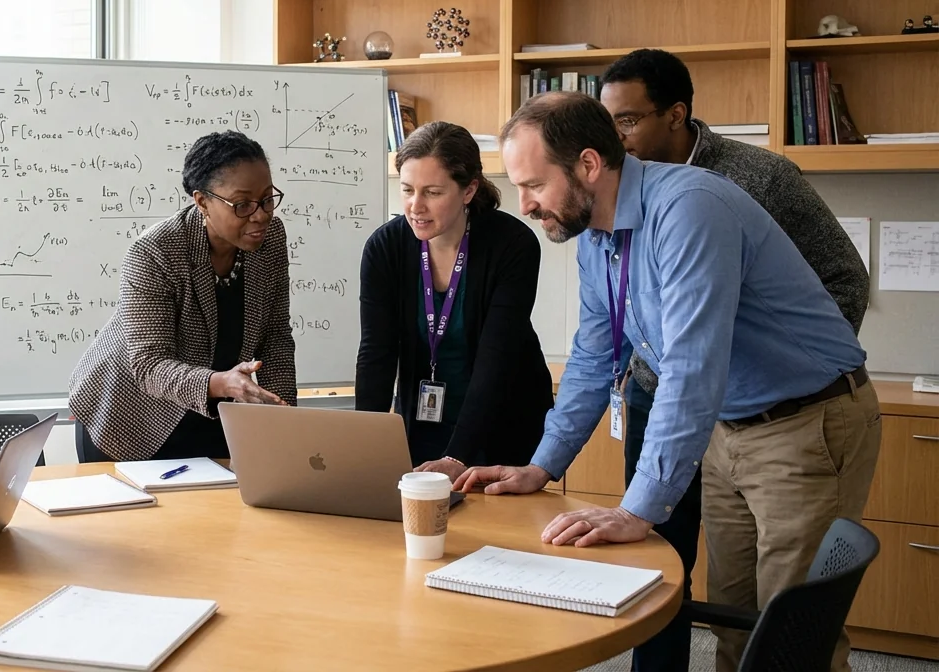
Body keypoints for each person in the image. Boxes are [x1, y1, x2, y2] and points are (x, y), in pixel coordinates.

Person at [459, 91, 880, 672]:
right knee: (738, 625)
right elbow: (593, 356)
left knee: (789, 643)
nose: (525, 204)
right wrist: (542, 465)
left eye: (533, 185)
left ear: (587, 164)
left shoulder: (688, 208)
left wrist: (638, 510)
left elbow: (690, 367)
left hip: (805, 424)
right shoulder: (597, 238)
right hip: (729, 430)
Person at [598, 48, 870, 671]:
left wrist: (775, 367)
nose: (614, 137)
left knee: (790, 624)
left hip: (777, 409)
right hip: (678, 402)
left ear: (676, 114)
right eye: (605, 121)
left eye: (628, 121)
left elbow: (844, 278)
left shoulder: (758, 176)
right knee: (702, 581)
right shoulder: (619, 192)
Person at [67, 130, 296, 462]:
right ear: (202, 201)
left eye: (267, 198)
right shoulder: (155, 250)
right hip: (130, 417)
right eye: (243, 204)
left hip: (213, 413)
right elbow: (149, 366)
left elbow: (275, 338)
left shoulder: (270, 237)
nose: (260, 214)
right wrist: (222, 383)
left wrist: (285, 420)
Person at [355, 121, 552, 479]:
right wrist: (362, 445)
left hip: (504, 425)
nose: (416, 206)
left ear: (468, 190)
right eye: (407, 190)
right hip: (423, 424)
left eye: (432, 192)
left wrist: (458, 457)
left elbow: (498, 359)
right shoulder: (385, 248)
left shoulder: (513, 246)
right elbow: (376, 353)